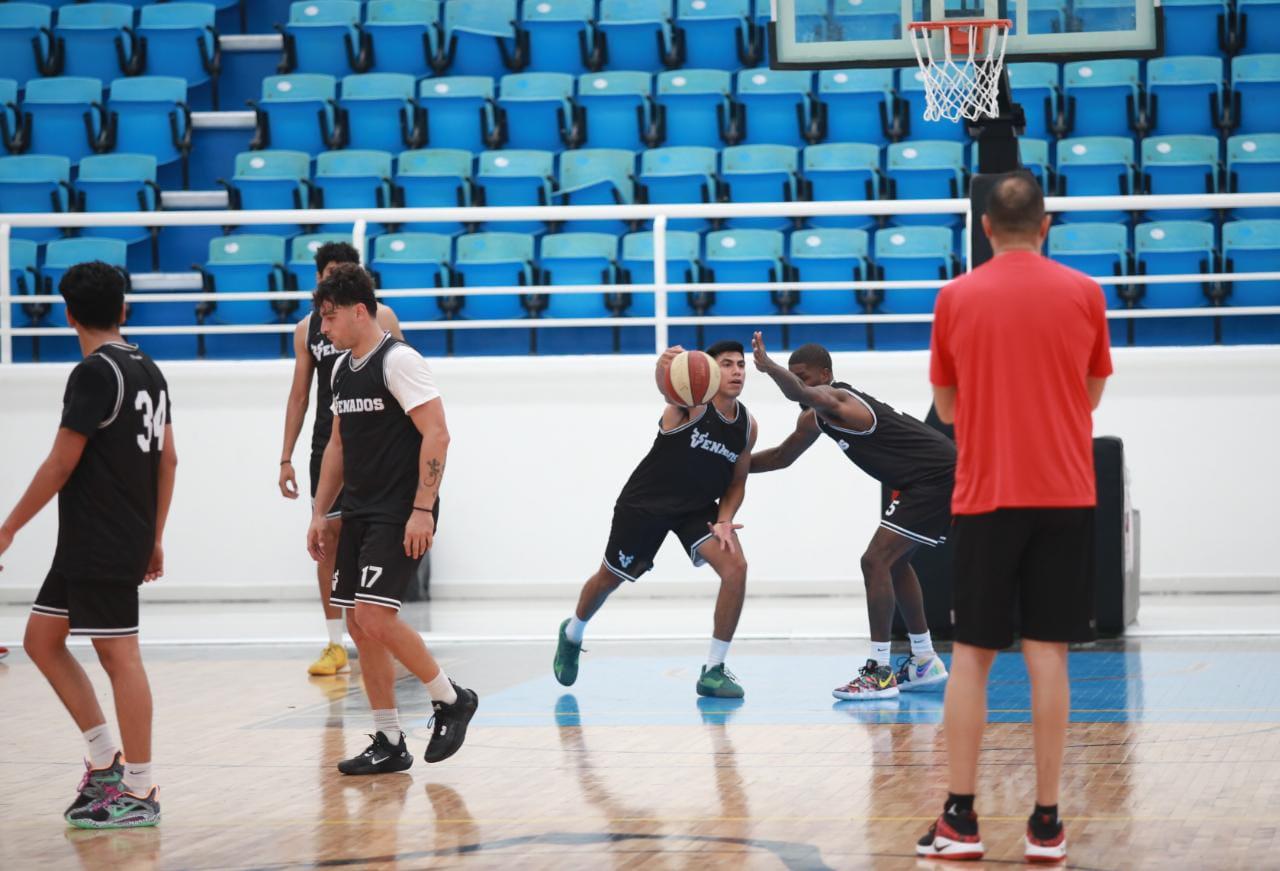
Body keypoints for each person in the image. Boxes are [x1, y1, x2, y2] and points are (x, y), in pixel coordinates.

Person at [916, 172, 1112, 864]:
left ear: (987, 228)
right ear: (1046, 225)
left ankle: (962, 821)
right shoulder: (1086, 294)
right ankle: (1048, 822)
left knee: (970, 658)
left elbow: (945, 408)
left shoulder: (955, 297)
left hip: (988, 495)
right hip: (1065, 493)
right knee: (1048, 656)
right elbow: (1089, 395)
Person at [0, 261, 177, 828]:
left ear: (68, 314)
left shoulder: (95, 373)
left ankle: (141, 789)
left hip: (101, 537)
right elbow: (168, 459)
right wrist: (154, 536)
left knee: (118, 656)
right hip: (98, 538)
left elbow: (59, 464)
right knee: (41, 639)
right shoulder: (147, 367)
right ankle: (105, 761)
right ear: (123, 309)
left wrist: (7, 529)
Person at [306, 263, 477, 775]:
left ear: (360, 311)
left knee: (377, 615)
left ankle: (450, 698)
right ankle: (388, 737)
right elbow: (337, 443)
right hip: (358, 509)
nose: (325, 328)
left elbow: (438, 434)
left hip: (401, 510)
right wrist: (320, 512)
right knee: (360, 623)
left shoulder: (399, 362)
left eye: (331, 318)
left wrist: (423, 509)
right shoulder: (339, 368)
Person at [749, 333, 954, 700]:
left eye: (805, 376)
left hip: (937, 476)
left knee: (874, 561)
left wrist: (770, 368)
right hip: (923, 481)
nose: (800, 383)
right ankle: (923, 660)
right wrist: (730, 467)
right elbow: (782, 457)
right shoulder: (815, 419)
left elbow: (800, 393)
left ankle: (878, 672)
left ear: (825, 374)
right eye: (795, 375)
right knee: (894, 564)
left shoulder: (839, 400)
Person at [553, 342, 758, 699]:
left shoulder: (747, 426)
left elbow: (738, 481)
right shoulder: (688, 406)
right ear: (707, 371)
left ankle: (713, 670)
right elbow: (668, 388)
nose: (737, 371)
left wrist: (725, 519)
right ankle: (572, 633)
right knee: (608, 578)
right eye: (727, 364)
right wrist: (664, 367)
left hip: (696, 508)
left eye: (741, 364)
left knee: (736, 567)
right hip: (646, 504)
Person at [279, 241, 402, 677]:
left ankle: (380, 627)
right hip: (328, 441)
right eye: (331, 272)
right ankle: (335, 644)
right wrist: (285, 457)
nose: (336, 280)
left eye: (345, 272)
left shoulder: (381, 318)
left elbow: (404, 382)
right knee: (327, 538)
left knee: (373, 530)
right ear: (318, 278)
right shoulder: (306, 328)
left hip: (371, 443)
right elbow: (298, 395)